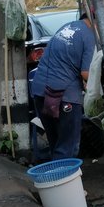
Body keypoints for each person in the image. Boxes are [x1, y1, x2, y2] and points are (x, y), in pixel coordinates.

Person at [30, 13, 96, 160]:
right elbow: (86, 73)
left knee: (56, 144)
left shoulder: (66, 27)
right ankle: (65, 181)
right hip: (63, 96)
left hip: (40, 92)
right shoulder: (89, 36)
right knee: (68, 147)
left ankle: (57, 180)